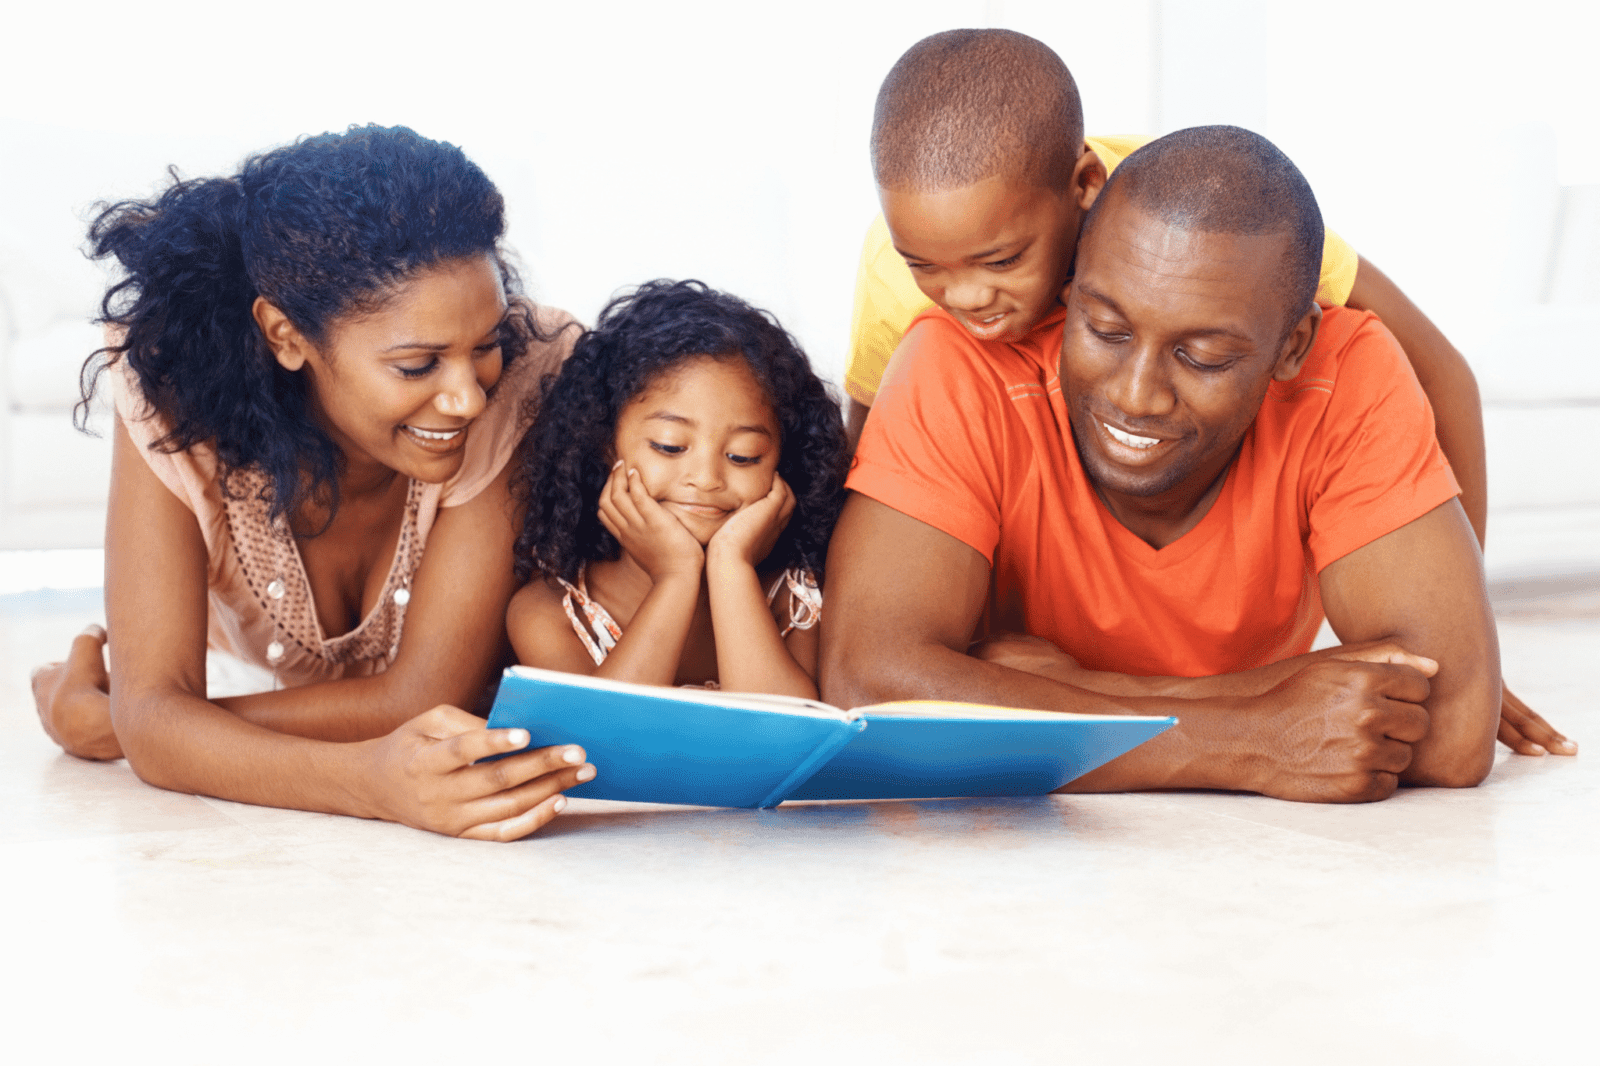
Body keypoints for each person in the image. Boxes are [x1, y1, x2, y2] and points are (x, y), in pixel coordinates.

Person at [839, 27, 1569, 758]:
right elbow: (869, 685)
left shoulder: (1320, 325)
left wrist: (1461, 627)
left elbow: (1449, 721)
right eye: (1104, 328)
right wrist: (1254, 727)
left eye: (1204, 355)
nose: (1139, 395)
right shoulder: (928, 325)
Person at [30, 125, 595, 841]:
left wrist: (130, 724)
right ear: (285, 335)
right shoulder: (174, 385)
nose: (466, 398)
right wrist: (373, 786)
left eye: (483, 346)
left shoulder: (519, 377)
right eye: (418, 366)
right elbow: (156, 714)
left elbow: (421, 695)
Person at [508, 280, 849, 696]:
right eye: (669, 447)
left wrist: (731, 568)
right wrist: (675, 576)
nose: (706, 479)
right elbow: (606, 742)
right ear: (602, 442)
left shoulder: (799, 598)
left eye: (744, 455)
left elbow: (783, 739)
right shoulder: (552, 616)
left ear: (783, 458)